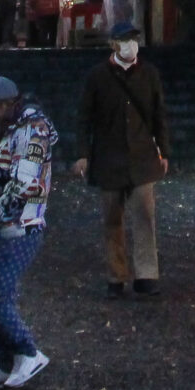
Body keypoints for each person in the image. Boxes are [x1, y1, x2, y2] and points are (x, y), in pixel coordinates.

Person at [0, 76, 55, 389]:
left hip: (19, 227)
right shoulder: (14, 129)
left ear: (6, 104)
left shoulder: (32, 131)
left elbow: (24, 182)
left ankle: (26, 352)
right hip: (6, 226)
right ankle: (5, 363)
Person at [75, 23, 170, 298]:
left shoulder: (149, 74)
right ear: (113, 45)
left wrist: (163, 150)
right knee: (112, 219)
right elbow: (84, 117)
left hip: (142, 156)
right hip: (108, 157)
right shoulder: (97, 77)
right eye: (125, 40)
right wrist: (83, 153)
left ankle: (147, 275)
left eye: (133, 40)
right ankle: (116, 275)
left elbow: (158, 114)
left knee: (145, 215)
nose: (130, 45)